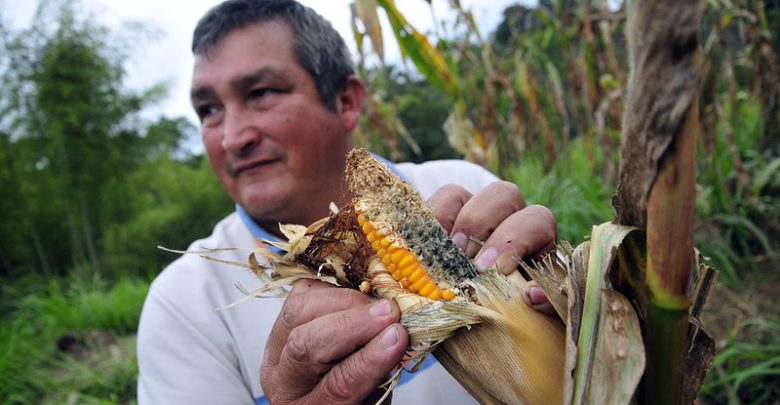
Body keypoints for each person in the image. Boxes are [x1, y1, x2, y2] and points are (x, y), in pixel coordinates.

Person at [136, 0, 557, 403]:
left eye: (261, 93)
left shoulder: (465, 190)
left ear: (346, 101)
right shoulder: (183, 306)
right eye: (208, 109)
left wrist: (565, 298)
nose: (232, 138)